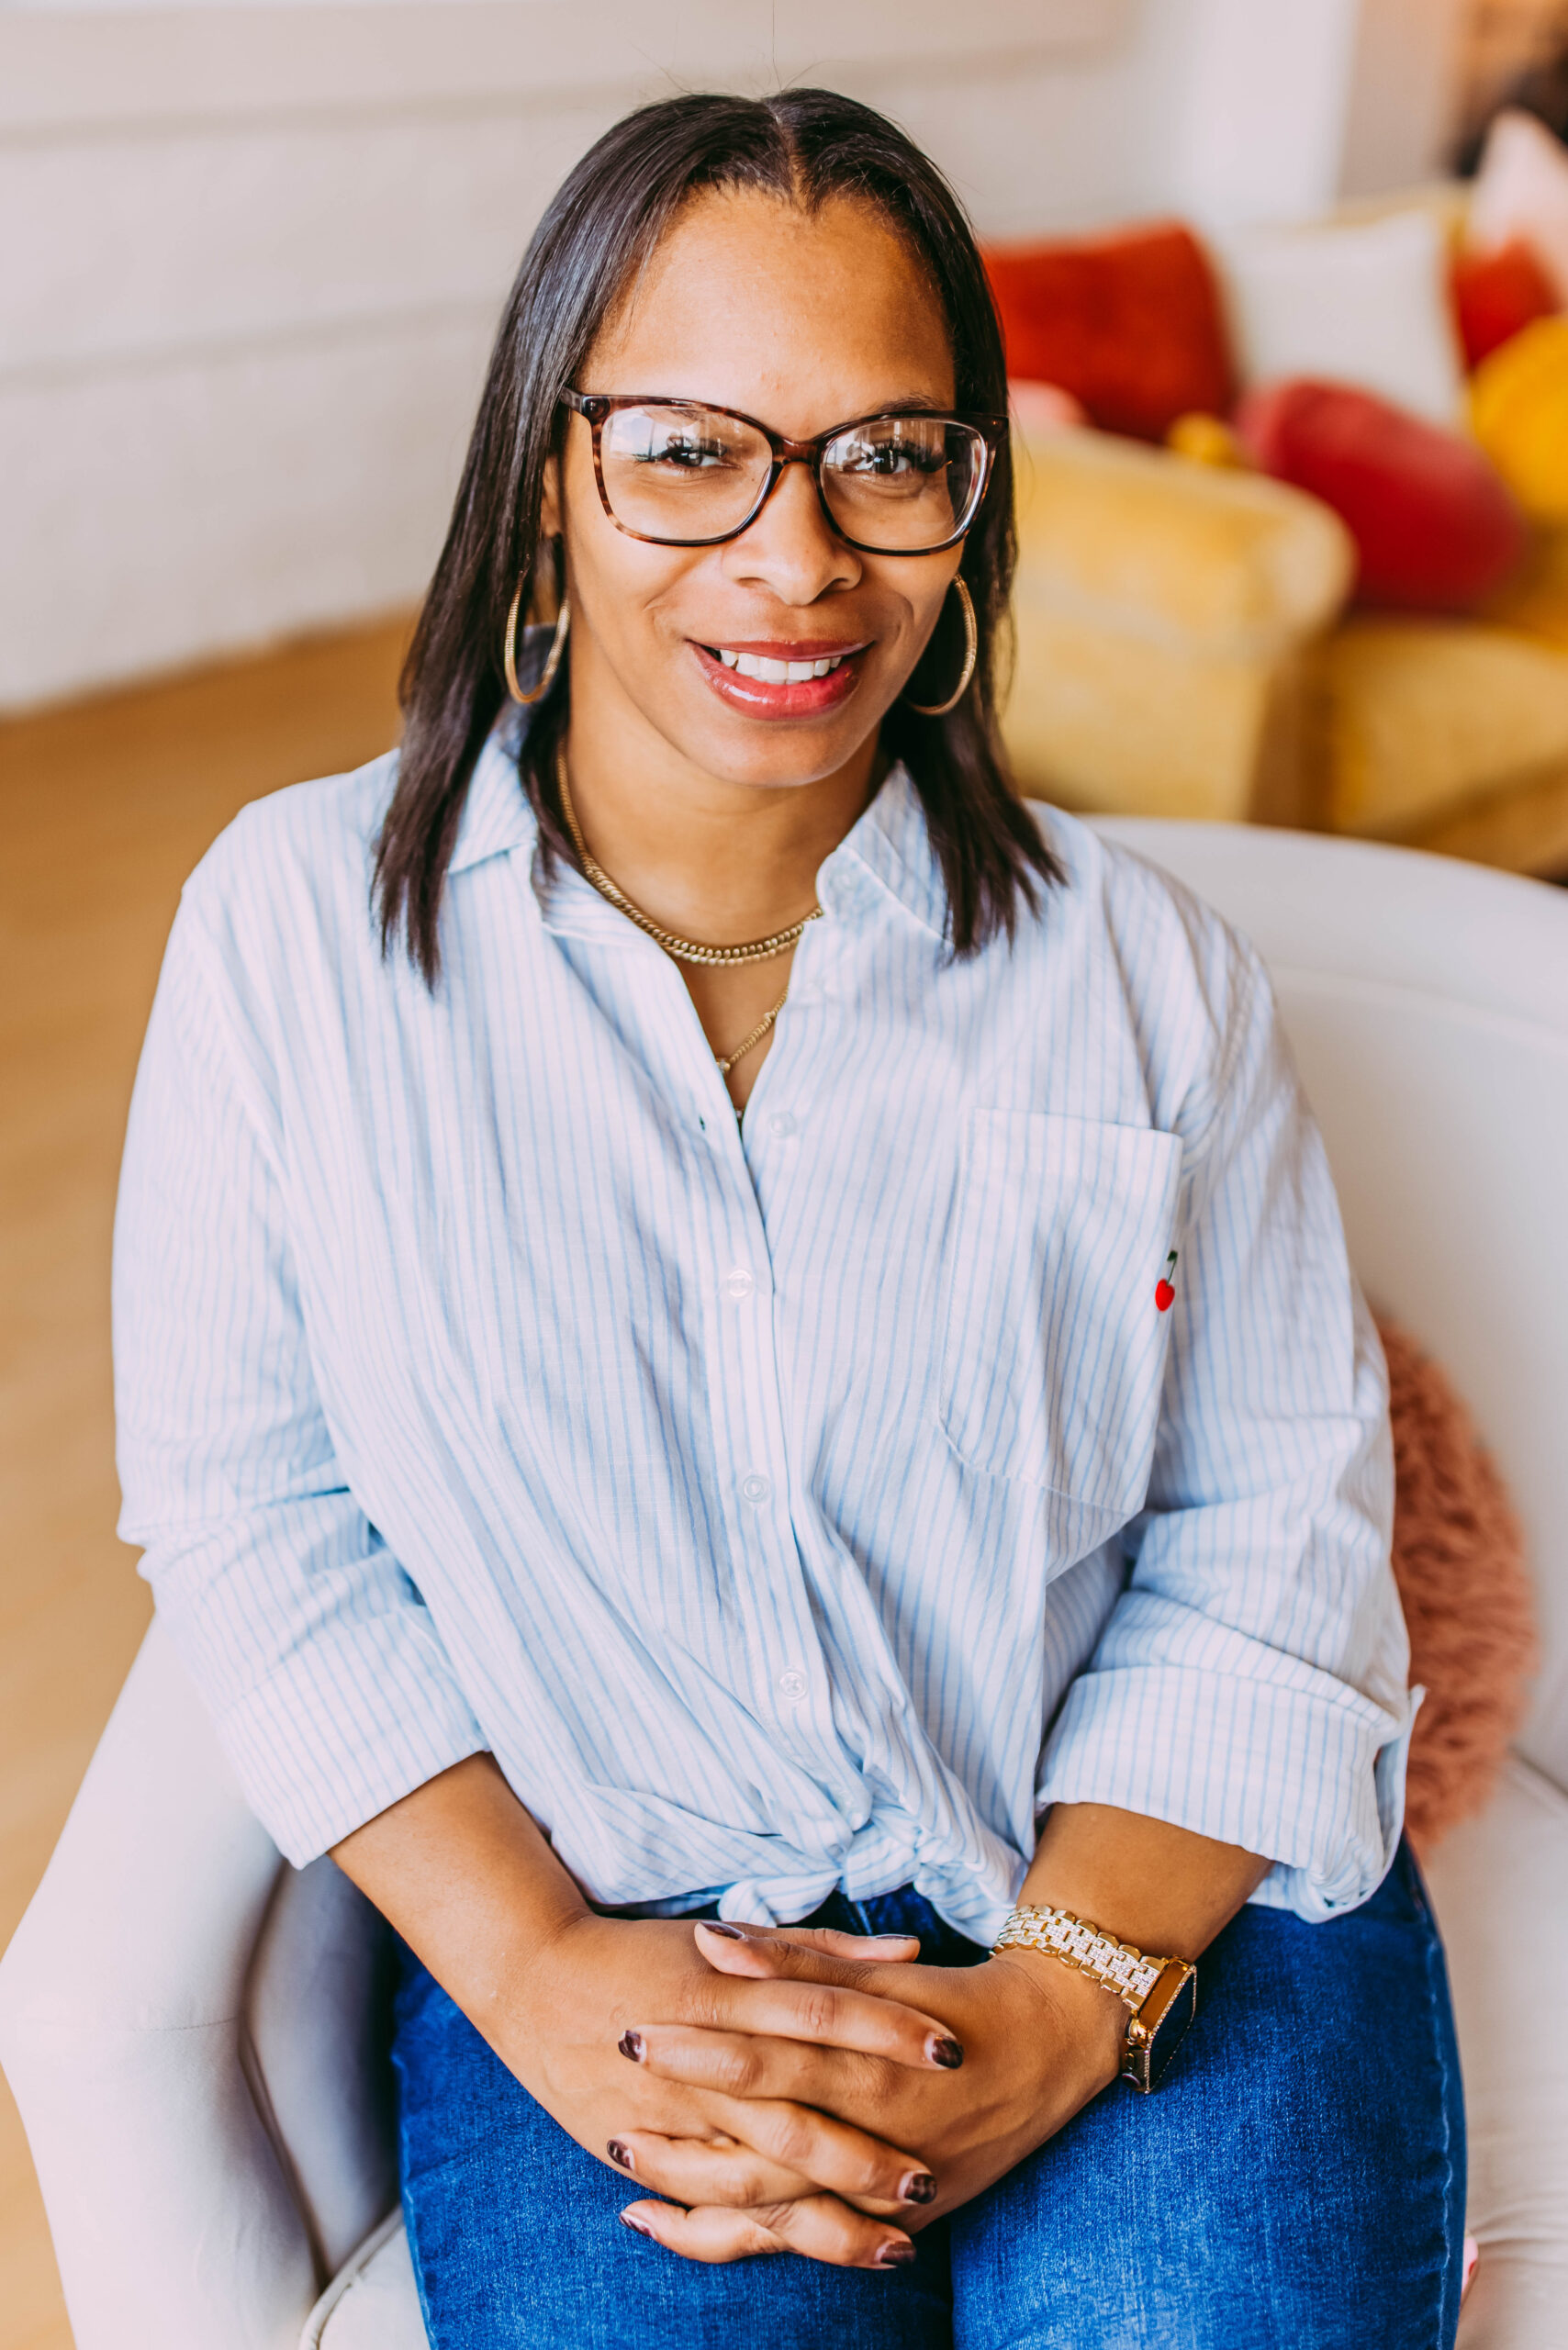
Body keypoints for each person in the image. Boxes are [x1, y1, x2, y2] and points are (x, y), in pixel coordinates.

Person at [113, 89, 1465, 2350]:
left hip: (1144, 1897)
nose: (794, 558)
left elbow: (1274, 1532)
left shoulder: (1142, 976)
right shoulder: (292, 938)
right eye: (686, 451)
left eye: (885, 455)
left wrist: (1052, 2002)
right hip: (634, 1940)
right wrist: (536, 1970)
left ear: (968, 499)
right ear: (544, 474)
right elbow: (254, 1508)